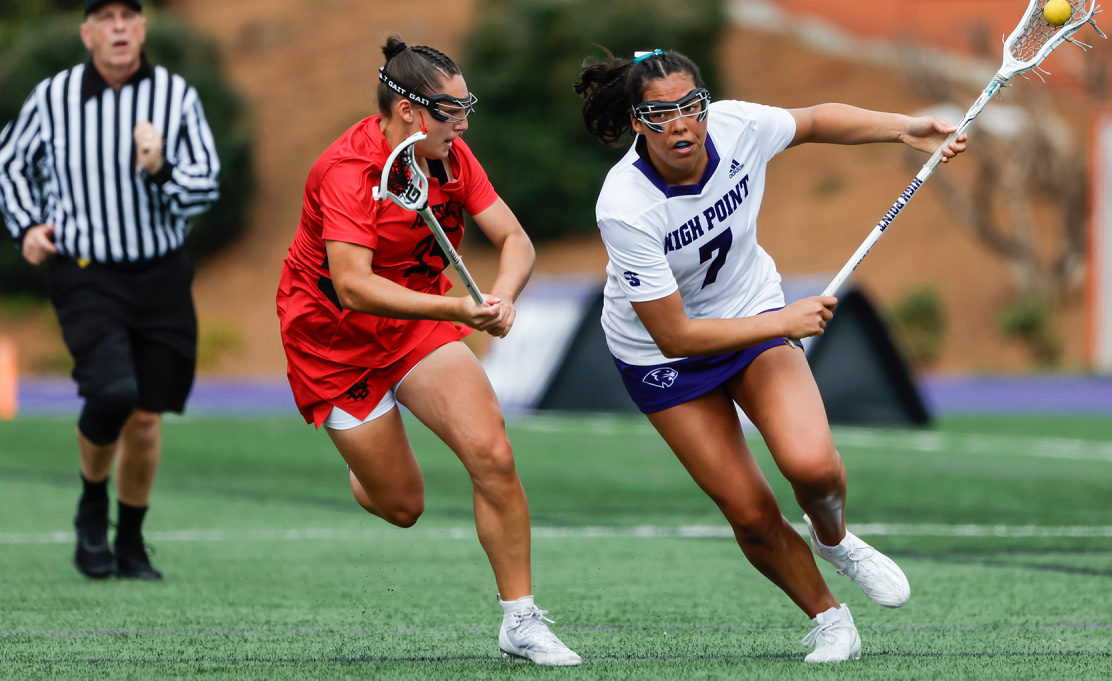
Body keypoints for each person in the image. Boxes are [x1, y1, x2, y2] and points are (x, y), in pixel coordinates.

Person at [574, 48, 966, 663]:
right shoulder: (624, 205)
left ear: (705, 104)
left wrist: (901, 127)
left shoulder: (737, 126)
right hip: (663, 356)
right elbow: (675, 335)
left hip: (752, 313)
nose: (681, 125)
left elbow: (812, 121)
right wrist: (782, 320)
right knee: (752, 512)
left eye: (690, 107)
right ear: (635, 123)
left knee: (813, 466)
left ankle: (834, 541)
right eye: (659, 114)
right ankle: (830, 619)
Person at [275, 35, 581, 667]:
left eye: (466, 107)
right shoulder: (345, 172)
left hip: (416, 324)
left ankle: (520, 621)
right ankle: (369, 467)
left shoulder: (453, 156)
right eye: (451, 111)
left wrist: (500, 296)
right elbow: (355, 288)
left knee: (492, 453)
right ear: (409, 111)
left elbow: (514, 238)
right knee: (403, 505)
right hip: (334, 342)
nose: (463, 123)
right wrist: (458, 308)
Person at [0, 0, 220, 581]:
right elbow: (9, 161)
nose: (119, 26)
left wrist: (159, 167)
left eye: (129, 15)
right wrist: (26, 225)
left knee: (146, 416)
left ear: (143, 29)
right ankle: (91, 507)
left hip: (161, 273)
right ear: (87, 33)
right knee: (113, 394)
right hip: (87, 271)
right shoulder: (55, 96)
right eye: (106, 16)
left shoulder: (176, 97)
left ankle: (131, 540)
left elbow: (205, 188)